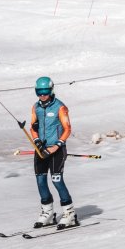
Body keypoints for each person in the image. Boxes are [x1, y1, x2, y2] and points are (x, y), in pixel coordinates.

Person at [27, 76, 77, 229]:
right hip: (41, 150)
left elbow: (67, 129)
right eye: (39, 92)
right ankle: (48, 213)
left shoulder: (60, 107)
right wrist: (36, 141)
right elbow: (33, 128)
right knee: (40, 181)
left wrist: (56, 146)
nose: (42, 95)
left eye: (45, 92)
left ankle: (69, 214)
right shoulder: (35, 107)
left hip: (57, 149)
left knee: (56, 180)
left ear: (51, 90)